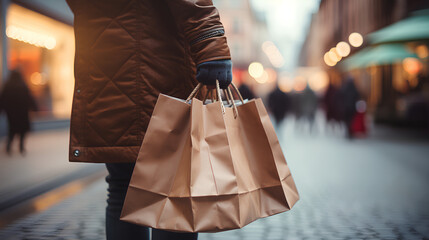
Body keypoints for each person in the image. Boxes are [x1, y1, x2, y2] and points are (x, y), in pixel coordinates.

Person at [66, 1, 232, 239]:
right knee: (173, 187)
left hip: (104, 71)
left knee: (122, 186)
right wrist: (211, 44)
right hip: (160, 67)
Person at [0, 69, 38, 155]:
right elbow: (29, 98)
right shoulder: (22, 85)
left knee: (12, 130)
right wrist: (35, 107)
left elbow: (2, 99)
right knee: (22, 131)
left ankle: (9, 147)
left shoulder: (8, 86)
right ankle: (21, 147)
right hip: (22, 113)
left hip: (12, 113)